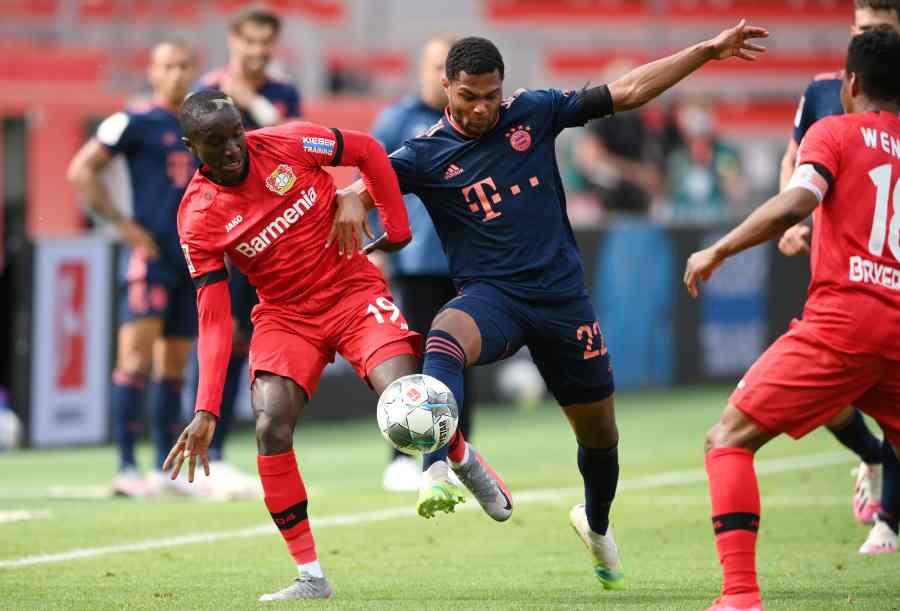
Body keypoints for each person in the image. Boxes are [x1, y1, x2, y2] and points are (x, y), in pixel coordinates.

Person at [348, 24, 769, 589]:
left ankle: (596, 525)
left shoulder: (534, 113)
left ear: (504, 87)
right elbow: (361, 184)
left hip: (562, 302)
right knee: (443, 335)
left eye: (491, 95)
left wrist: (705, 51)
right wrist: (351, 196)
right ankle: (441, 466)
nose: (480, 109)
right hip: (492, 298)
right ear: (446, 88)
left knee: (600, 438)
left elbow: (628, 92)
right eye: (468, 96)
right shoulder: (424, 154)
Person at [164, 90, 419, 601]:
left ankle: (459, 456)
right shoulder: (198, 217)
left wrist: (397, 229)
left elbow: (368, 149)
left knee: (406, 402)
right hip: (286, 316)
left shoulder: (287, 142)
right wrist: (207, 408)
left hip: (350, 290)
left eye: (235, 132)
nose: (234, 147)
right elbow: (213, 320)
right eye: (216, 142)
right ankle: (311, 576)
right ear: (193, 146)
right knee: (269, 424)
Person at [684, 30, 900, 610]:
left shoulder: (834, 132)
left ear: (851, 84)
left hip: (844, 323)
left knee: (727, 439)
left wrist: (719, 249)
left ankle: (740, 597)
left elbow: (796, 201)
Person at [776, 0, 900, 550]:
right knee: (826, 397)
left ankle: (889, 520)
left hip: (889, 267)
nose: (871, 36)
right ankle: (870, 457)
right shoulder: (824, 90)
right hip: (840, 269)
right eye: (865, 28)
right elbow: (795, 157)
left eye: (883, 29)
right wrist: (791, 215)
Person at [67, 40, 201, 498]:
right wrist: (125, 228)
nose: (177, 73)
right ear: (152, 71)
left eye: (184, 65)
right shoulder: (134, 120)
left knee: (175, 367)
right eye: (168, 66)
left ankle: (164, 470)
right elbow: (82, 169)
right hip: (150, 260)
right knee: (134, 360)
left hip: (193, 262)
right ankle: (126, 466)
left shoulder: (202, 124)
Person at [195, 5, 302, 492]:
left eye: (266, 44)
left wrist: (254, 108)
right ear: (233, 40)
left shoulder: (281, 91)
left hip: (273, 239)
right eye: (250, 42)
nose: (258, 52)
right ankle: (198, 452)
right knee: (212, 338)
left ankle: (222, 450)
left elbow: (294, 143)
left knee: (249, 343)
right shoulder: (206, 90)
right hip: (224, 234)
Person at [369, 33, 478, 492]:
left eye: (448, 68)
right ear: (423, 70)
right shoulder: (397, 119)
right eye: (436, 67)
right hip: (416, 259)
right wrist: (376, 248)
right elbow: (370, 182)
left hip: (468, 261)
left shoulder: (473, 120)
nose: (441, 76)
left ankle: (457, 454)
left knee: (459, 361)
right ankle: (401, 454)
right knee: (411, 361)